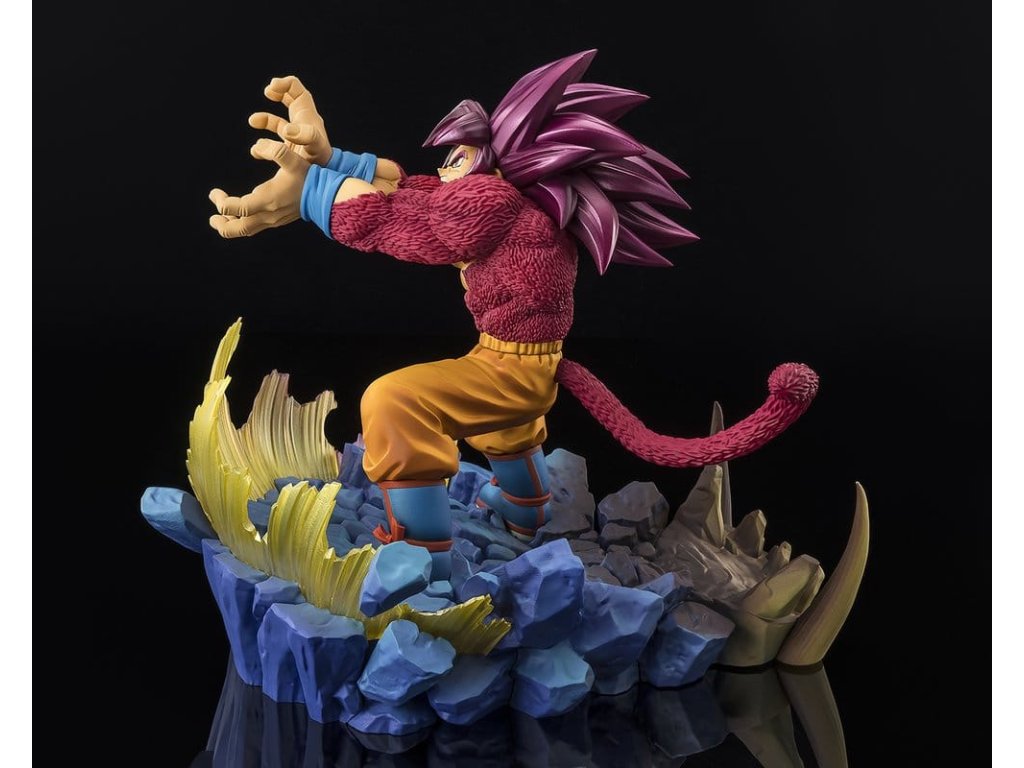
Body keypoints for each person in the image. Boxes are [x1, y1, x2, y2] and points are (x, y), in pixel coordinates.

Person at [209, 51, 818, 581]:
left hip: (512, 369)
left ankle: (421, 555)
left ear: (497, 165)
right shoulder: (514, 205)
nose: (446, 168)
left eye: (459, 157)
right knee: (505, 419)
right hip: (520, 364)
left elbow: (408, 225)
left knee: (393, 400)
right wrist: (331, 159)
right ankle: (522, 509)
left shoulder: (493, 202)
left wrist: (313, 191)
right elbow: (421, 193)